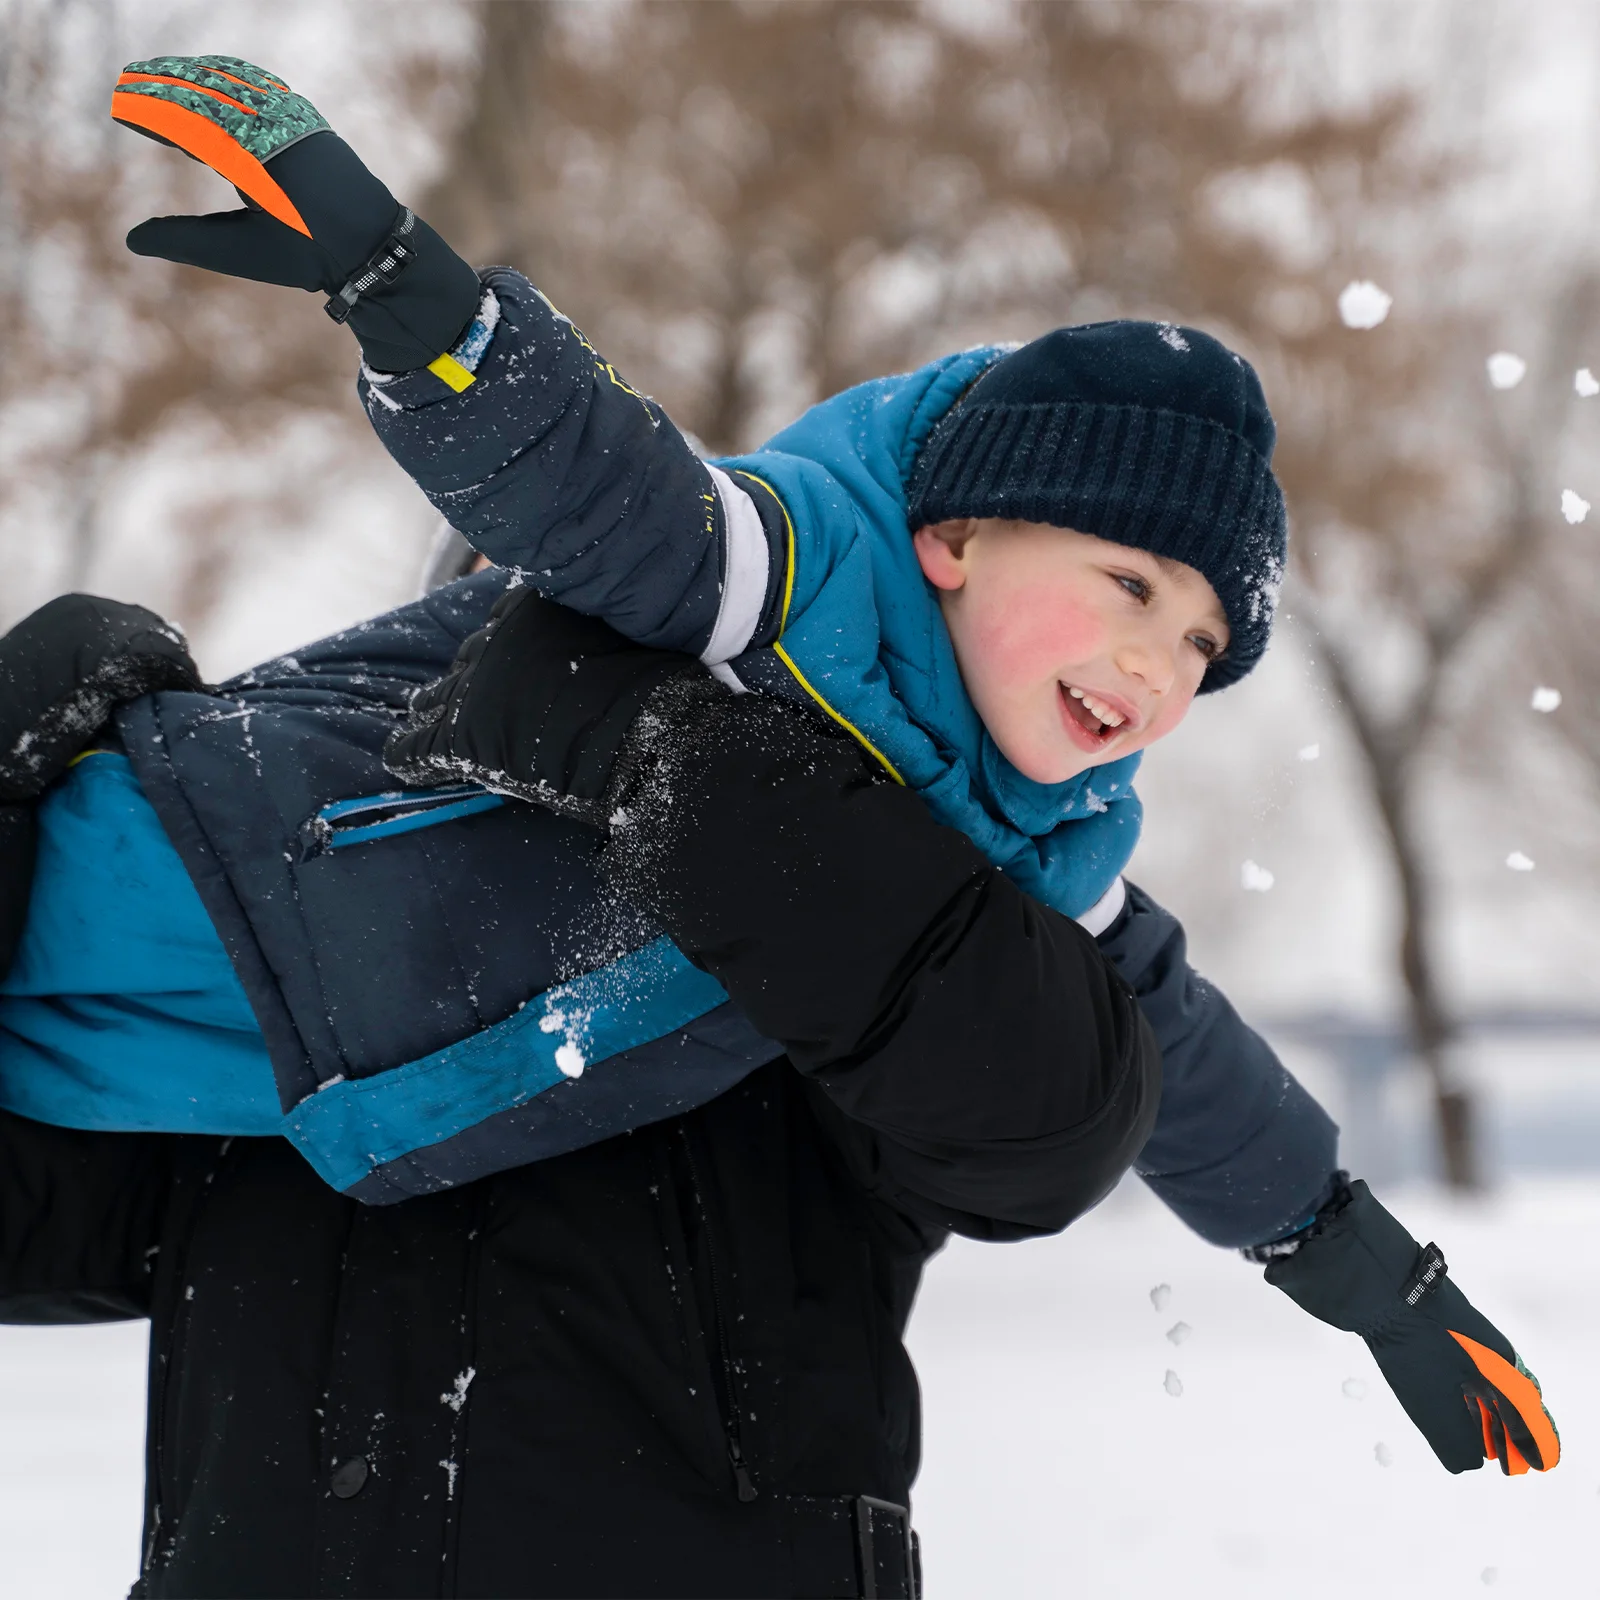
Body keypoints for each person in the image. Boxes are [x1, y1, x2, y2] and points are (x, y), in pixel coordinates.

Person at [0, 48, 1560, 1600]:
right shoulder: (779, 588)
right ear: (953, 539)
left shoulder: (1011, 866)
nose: (1159, 667)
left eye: (1207, 648)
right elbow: (601, 487)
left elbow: (1149, 1068)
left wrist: (1355, 1260)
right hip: (231, 904)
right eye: (1132, 588)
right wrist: (423, 309)